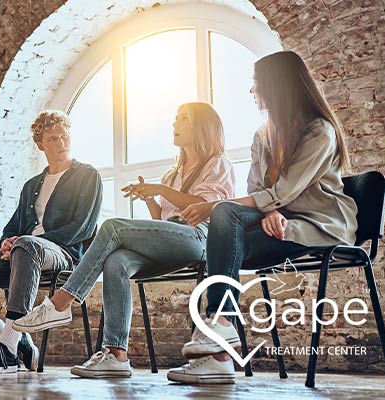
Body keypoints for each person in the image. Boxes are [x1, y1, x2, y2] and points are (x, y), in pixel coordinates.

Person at [167, 50, 358, 384]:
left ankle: (220, 330)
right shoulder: (263, 135)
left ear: (278, 87)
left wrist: (265, 206)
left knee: (223, 212)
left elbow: (285, 190)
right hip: (281, 222)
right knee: (223, 236)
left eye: (257, 85)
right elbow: (259, 187)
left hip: (320, 226)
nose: (253, 92)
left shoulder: (320, 133)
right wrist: (270, 211)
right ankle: (221, 348)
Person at [13, 103, 235, 379]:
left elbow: (208, 207)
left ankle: (61, 303)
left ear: (202, 128)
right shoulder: (172, 173)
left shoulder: (217, 164)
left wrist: (160, 189)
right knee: (117, 261)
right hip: (171, 241)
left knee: (112, 227)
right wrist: (151, 200)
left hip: (199, 238)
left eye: (183, 119)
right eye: (175, 117)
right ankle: (116, 354)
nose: (175, 123)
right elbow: (162, 222)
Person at [0, 110, 102, 374]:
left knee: (27, 244)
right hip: (22, 253)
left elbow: (82, 227)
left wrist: (23, 242)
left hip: (62, 254)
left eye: (65, 136)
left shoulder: (87, 176)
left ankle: (6, 352)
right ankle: (15, 339)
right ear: (40, 144)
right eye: (53, 138)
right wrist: (7, 242)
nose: (61, 143)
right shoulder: (32, 185)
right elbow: (13, 226)